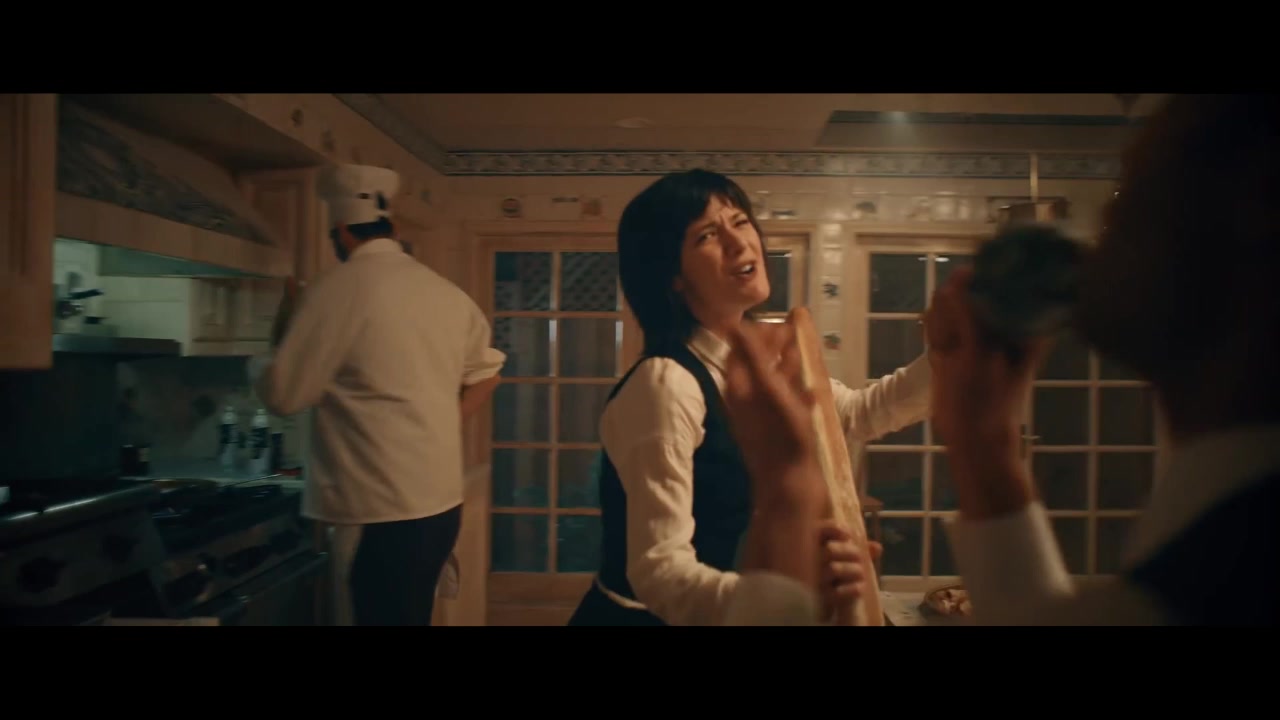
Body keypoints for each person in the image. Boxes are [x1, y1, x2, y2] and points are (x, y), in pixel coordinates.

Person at [716, 94, 1280, 626]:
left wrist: (788, 496)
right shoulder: (1217, 543)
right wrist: (982, 440)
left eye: (1129, 200)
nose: (1098, 237)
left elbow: (861, 412)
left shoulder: (1217, 568)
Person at [567, 169, 930, 626]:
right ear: (672, 275)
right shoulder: (666, 383)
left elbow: (859, 414)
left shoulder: (761, 359)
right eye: (707, 235)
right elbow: (658, 571)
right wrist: (782, 598)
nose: (739, 243)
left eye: (740, 221)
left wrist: (945, 357)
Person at [249, 164, 506, 626]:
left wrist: (279, 331)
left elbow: (284, 395)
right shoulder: (446, 294)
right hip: (439, 504)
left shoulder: (334, 291)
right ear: (392, 229)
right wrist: (438, 425)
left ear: (343, 231)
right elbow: (487, 376)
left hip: (376, 509)